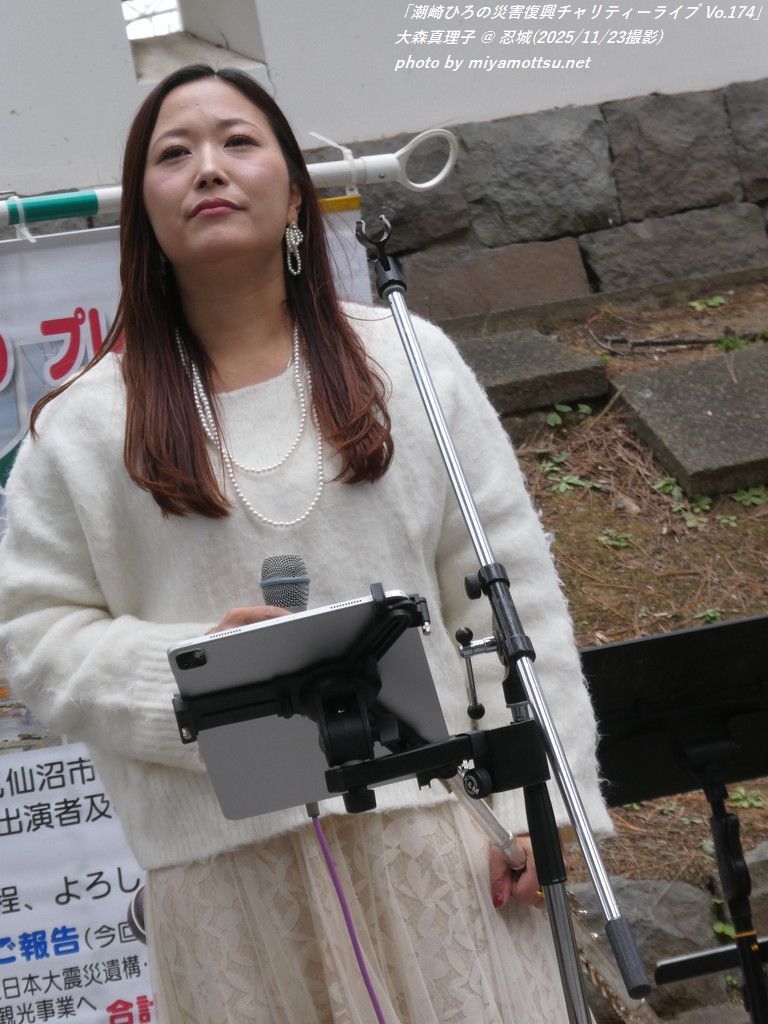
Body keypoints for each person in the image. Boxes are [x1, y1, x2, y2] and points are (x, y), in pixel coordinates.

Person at [0, 64, 612, 1023]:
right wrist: (192, 675)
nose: (209, 167)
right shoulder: (80, 429)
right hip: (224, 882)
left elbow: (509, 591)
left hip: (444, 844)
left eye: (239, 141)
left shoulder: (410, 363)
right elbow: (33, 636)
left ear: (294, 193)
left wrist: (546, 803)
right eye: (174, 153)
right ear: (143, 212)